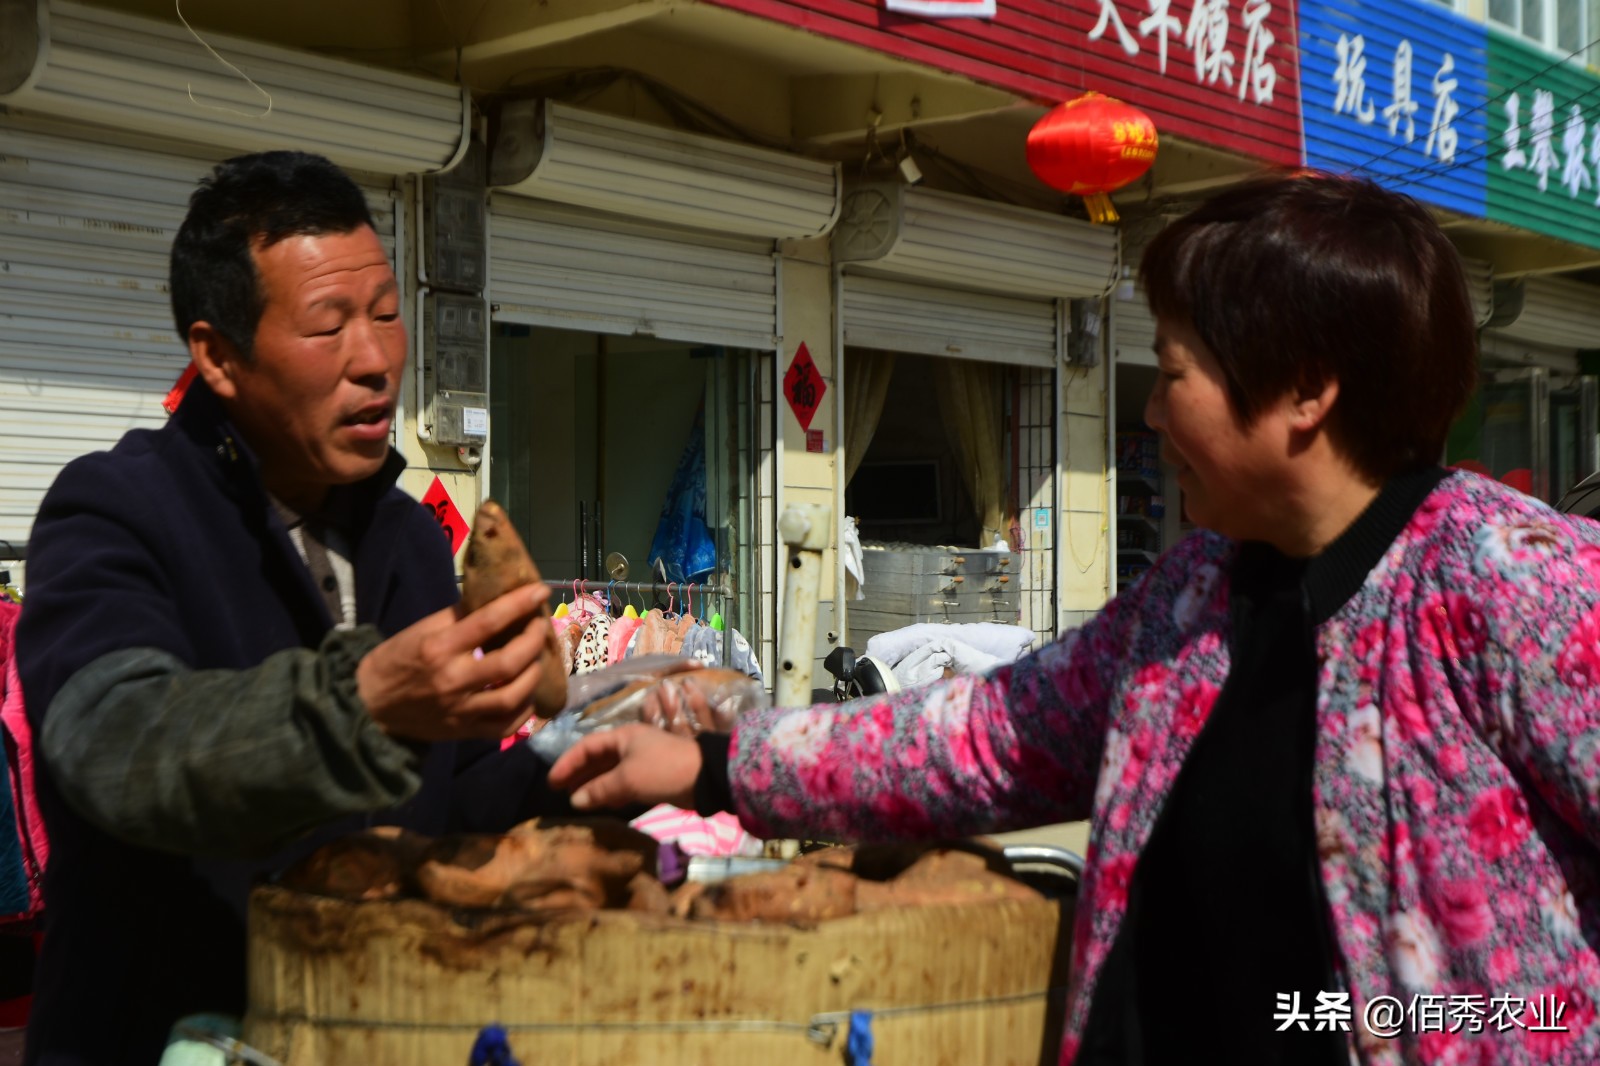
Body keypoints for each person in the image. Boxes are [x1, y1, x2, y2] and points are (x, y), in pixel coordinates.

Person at [550, 172, 1600, 1064]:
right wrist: (716, 765)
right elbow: (985, 737)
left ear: (1305, 391)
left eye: (1175, 373)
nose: (1152, 409)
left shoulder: (1513, 586)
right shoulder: (1189, 599)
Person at [15, 151, 571, 1065]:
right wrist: (364, 702)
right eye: (327, 326)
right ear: (218, 356)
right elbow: (115, 743)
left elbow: (452, 808)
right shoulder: (113, 509)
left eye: (385, 314)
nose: (375, 360)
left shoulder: (410, 538)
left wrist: (590, 758)